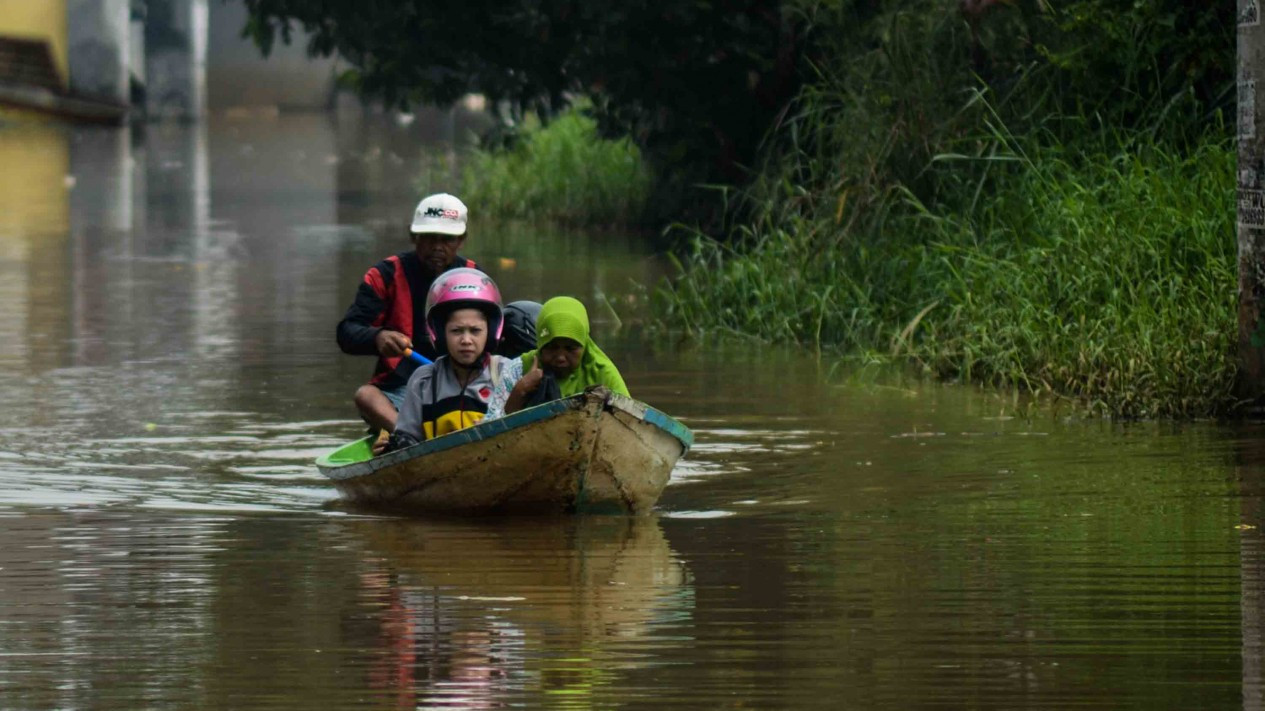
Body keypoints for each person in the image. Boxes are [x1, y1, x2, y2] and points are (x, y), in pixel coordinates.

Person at [337, 193, 477, 434]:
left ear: (461, 240)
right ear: (414, 237)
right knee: (366, 396)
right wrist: (378, 337)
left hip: (464, 383)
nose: (437, 247)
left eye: (447, 239)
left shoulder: (474, 277)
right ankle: (408, 435)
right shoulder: (384, 275)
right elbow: (347, 332)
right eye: (429, 238)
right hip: (401, 388)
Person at [376, 268, 521, 455]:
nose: (466, 340)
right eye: (456, 331)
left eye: (475, 331)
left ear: (491, 332)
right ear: (441, 333)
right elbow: (408, 437)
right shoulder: (424, 380)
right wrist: (393, 445)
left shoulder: (506, 371)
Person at [491, 296, 629, 418]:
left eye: (570, 349)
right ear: (540, 344)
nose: (560, 357)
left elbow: (630, 424)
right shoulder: (519, 369)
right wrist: (520, 391)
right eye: (551, 347)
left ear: (584, 345)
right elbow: (488, 430)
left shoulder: (602, 373)